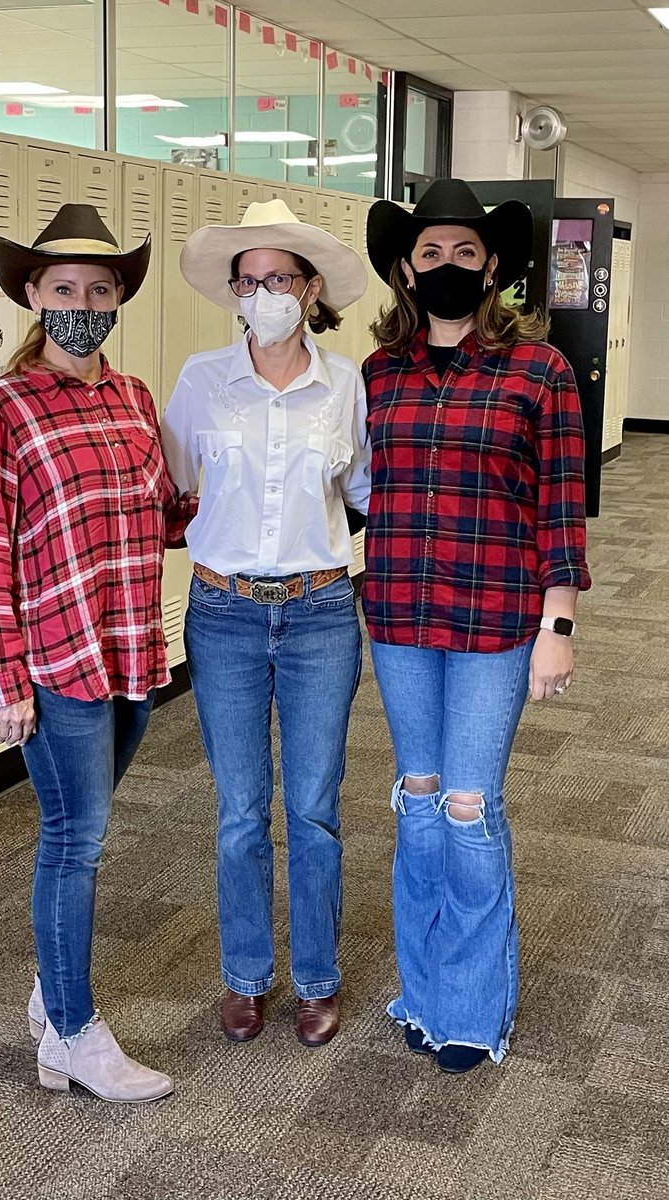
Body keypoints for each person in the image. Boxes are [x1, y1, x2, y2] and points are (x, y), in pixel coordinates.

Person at [0, 203, 196, 1102]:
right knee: (76, 841)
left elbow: (166, 515)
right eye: (64, 289)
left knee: (83, 832)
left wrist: (261, 498)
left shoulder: (132, 398)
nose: (82, 303)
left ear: (118, 299)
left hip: (130, 647)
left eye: (100, 289)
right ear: (31, 295)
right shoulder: (0, 407)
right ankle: (73, 1031)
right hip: (55, 662)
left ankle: (52, 993)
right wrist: (1, 676)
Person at [362, 179, 591, 1074]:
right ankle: (420, 993)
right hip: (400, 616)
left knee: (467, 807)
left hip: (498, 618)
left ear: (491, 266)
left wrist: (558, 621)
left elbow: (561, 505)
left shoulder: (539, 371)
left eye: (464, 252)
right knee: (417, 801)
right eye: (430, 253)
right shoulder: (381, 372)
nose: (447, 266)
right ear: (406, 270)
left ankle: (469, 1010)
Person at [161, 200, 370, 1048]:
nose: (264, 293)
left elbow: (359, 498)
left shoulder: (344, 382)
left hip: (321, 612)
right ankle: (246, 977)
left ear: (310, 287)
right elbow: (173, 491)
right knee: (242, 809)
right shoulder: (199, 379)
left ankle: (316, 979)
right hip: (224, 614)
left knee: (314, 809)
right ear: (235, 295)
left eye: (279, 278)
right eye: (249, 282)